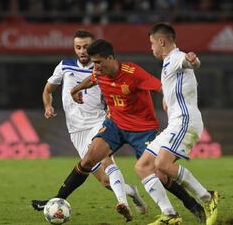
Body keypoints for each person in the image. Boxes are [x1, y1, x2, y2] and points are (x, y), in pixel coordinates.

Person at [33, 39, 206, 223]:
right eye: (94, 63)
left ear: (110, 58)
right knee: (88, 159)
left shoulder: (133, 72)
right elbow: (92, 79)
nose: (96, 67)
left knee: (159, 173)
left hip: (143, 129)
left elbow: (160, 86)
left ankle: (193, 206)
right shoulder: (99, 72)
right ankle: (57, 199)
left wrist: (167, 98)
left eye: (98, 62)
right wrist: (76, 89)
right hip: (116, 125)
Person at [33, 30, 147, 221]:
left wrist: (112, 110)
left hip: (98, 122)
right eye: (78, 47)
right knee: (104, 180)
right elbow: (47, 90)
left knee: (106, 160)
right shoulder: (64, 66)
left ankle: (122, 203)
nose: (82, 51)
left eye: (86, 47)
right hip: (76, 130)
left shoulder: (101, 68)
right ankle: (132, 192)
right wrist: (48, 105)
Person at [133, 22, 219, 225]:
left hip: (185, 121)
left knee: (162, 164)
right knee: (143, 166)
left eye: (152, 43)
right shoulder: (168, 63)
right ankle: (169, 214)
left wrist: (193, 59)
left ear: (161, 41)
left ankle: (208, 197)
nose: (151, 48)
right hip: (175, 123)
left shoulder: (177, 58)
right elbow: (178, 80)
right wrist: (167, 97)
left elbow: (190, 63)